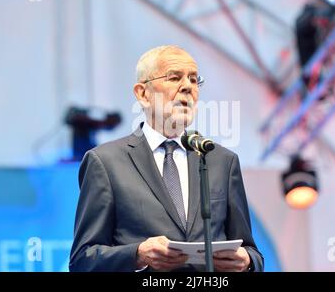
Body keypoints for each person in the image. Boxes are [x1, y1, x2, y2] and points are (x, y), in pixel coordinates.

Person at [69, 45, 264, 272]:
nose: (187, 87)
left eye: (194, 79)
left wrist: (247, 262)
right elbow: (82, 260)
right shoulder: (105, 162)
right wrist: (137, 255)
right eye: (174, 78)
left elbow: (252, 253)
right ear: (143, 93)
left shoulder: (221, 161)